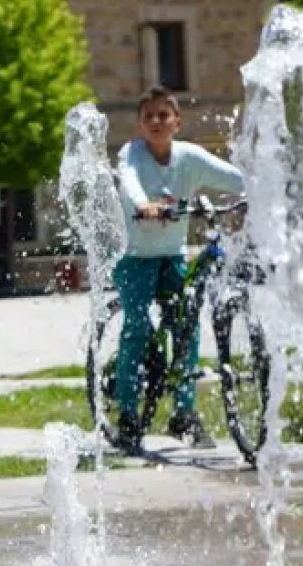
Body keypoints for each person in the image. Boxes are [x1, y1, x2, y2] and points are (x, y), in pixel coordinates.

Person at [111, 85, 244, 455]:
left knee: (185, 329)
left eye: (163, 115)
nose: (156, 121)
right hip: (134, 257)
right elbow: (129, 182)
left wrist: (259, 189)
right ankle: (127, 415)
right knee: (138, 326)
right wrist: (144, 205)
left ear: (177, 122)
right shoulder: (132, 154)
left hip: (172, 256)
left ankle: (183, 415)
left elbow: (232, 177)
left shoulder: (189, 157)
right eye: (148, 116)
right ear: (140, 124)